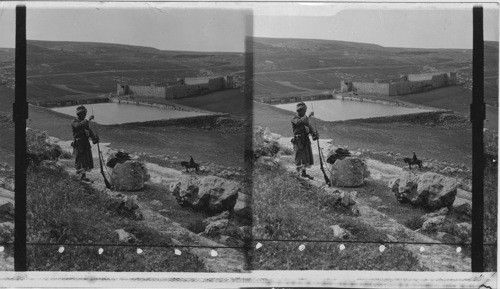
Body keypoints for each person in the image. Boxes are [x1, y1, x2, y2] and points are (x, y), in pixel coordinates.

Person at [291, 102, 318, 180]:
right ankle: (297, 174)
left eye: (305, 111)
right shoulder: (294, 118)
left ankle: (303, 173)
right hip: (298, 141)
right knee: (298, 157)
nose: (305, 112)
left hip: (305, 140)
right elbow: (299, 122)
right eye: (304, 111)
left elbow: (308, 126)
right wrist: (308, 116)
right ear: (300, 111)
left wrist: (314, 133)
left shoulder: (304, 118)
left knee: (305, 157)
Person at [71, 105, 98, 182]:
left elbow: (89, 130)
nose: (84, 116)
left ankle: (83, 176)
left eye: (85, 114)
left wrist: (94, 138)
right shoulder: (74, 122)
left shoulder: (84, 122)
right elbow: (78, 126)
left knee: (86, 160)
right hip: (79, 144)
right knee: (79, 160)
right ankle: (79, 176)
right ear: (79, 115)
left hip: (85, 143)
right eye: (83, 114)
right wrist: (88, 119)